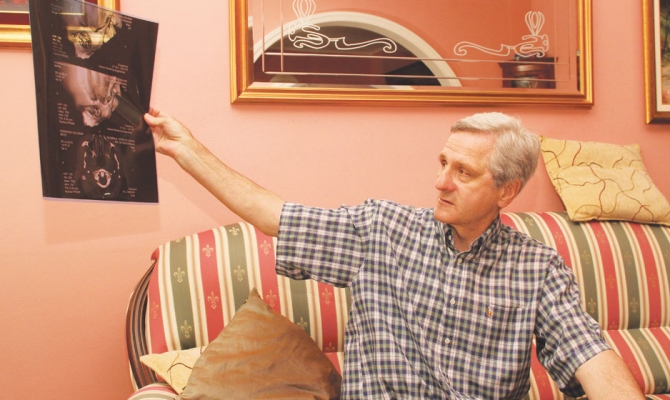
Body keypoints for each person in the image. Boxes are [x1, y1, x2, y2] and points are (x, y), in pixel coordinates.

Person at [144, 108, 644, 399]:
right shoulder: (382, 230)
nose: (440, 182)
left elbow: (590, 355)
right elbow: (275, 215)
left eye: (463, 172)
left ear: (507, 191)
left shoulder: (537, 269)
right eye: (443, 162)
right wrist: (187, 150)